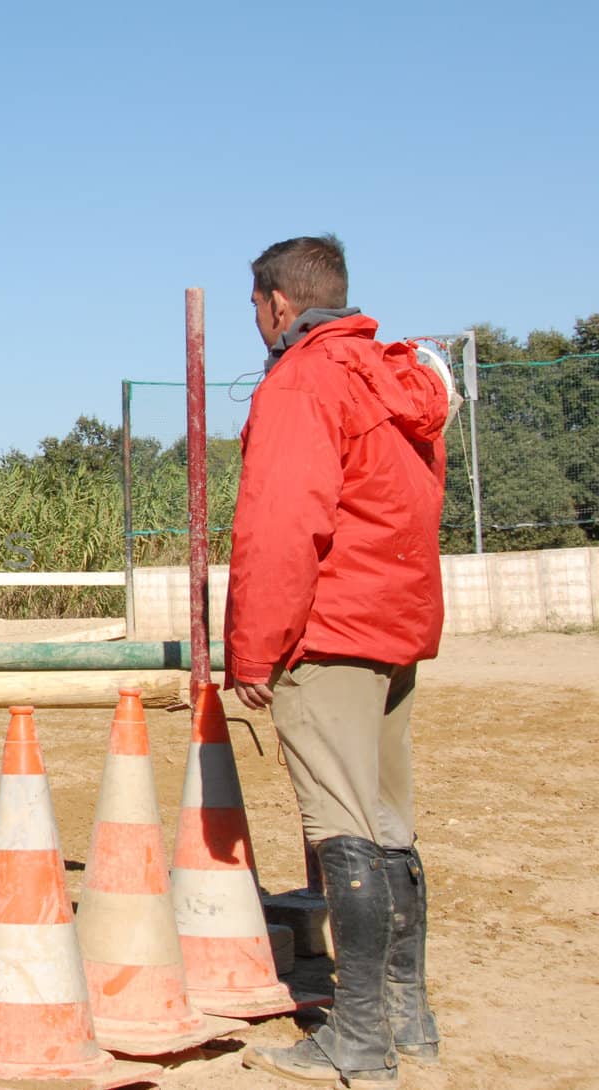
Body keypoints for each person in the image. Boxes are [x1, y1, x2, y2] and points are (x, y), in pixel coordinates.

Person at [227, 235, 451, 1086]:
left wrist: (255, 650)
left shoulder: (302, 380)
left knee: (343, 831)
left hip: (328, 633)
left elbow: (283, 527)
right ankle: (407, 1016)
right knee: (392, 826)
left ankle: (356, 1040)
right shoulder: (397, 379)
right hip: (396, 630)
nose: (257, 321)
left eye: (255, 306)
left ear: (280, 304)